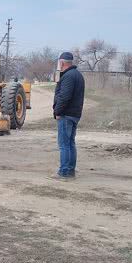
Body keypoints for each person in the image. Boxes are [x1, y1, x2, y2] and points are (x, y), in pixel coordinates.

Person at [52, 51, 85, 179]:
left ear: (62, 62)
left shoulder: (68, 76)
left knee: (64, 144)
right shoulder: (77, 75)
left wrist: (58, 112)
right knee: (70, 143)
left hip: (66, 115)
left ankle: (64, 172)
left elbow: (64, 97)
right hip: (75, 114)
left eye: (59, 62)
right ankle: (70, 170)